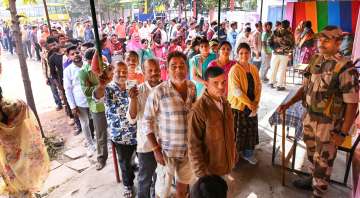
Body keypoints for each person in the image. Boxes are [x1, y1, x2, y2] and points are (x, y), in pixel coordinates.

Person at [277, 26, 359, 198]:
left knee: (324, 161)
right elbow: (305, 87)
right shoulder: (315, 59)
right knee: (312, 154)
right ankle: (311, 179)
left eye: (326, 40)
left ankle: (318, 192)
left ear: (338, 42)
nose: (321, 43)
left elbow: (352, 104)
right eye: (320, 39)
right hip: (309, 118)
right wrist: (289, 102)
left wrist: (343, 132)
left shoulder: (345, 68)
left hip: (328, 125)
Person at [144, 51, 196, 198]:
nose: (178, 70)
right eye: (174, 66)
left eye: (182, 66)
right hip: (167, 151)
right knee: (163, 191)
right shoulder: (158, 92)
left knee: (183, 186)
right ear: (167, 69)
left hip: (188, 150)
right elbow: (146, 122)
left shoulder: (192, 87)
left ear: (187, 68)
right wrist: (155, 149)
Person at [93, 61, 137, 198]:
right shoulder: (107, 88)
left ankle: (134, 167)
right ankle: (128, 185)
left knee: (138, 159)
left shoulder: (132, 85)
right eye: (118, 71)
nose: (122, 74)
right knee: (124, 163)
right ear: (113, 73)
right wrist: (101, 85)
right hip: (120, 135)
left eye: (124, 71)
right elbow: (96, 95)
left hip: (138, 132)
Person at [0, 86, 49, 198]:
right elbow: (24, 106)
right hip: (23, 152)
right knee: (26, 183)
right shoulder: (15, 106)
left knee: (16, 187)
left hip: (7, 159)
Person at [188, 66, 236, 178]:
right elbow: (193, 145)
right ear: (206, 84)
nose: (221, 86)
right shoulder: (199, 110)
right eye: (215, 83)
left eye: (223, 82)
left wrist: (233, 151)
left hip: (225, 163)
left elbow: (230, 132)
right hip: (209, 171)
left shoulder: (225, 103)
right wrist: (202, 176)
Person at [127, 59, 162, 198]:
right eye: (150, 71)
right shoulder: (138, 90)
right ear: (144, 72)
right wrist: (134, 100)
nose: (154, 73)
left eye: (156, 70)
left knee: (160, 179)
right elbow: (132, 117)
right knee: (144, 180)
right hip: (146, 145)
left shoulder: (167, 87)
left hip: (165, 143)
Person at [228, 43, 262, 165]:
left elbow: (258, 86)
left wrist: (256, 102)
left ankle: (248, 154)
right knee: (238, 133)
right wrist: (249, 103)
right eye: (241, 53)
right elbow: (236, 90)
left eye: (246, 53)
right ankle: (235, 156)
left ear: (250, 53)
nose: (244, 55)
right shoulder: (234, 70)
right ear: (237, 54)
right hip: (239, 107)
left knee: (250, 131)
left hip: (252, 105)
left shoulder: (253, 68)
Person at [78, 48, 109, 171]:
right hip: (97, 107)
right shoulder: (83, 72)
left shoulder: (105, 66)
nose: (99, 62)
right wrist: (101, 86)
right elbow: (86, 91)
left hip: (110, 103)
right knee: (101, 135)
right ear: (89, 61)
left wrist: (101, 85)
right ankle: (101, 159)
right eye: (96, 60)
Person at [63, 45, 95, 156]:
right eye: (72, 54)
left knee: (95, 120)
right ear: (68, 57)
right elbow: (68, 89)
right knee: (85, 123)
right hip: (79, 101)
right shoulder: (68, 71)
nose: (76, 55)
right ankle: (90, 144)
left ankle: (96, 139)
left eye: (77, 52)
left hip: (93, 98)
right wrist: (72, 106)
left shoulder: (88, 65)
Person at [268, 20, 295, 91]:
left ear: (281, 25)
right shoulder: (290, 34)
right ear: (288, 26)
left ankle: (271, 82)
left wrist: (275, 49)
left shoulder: (275, 32)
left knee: (273, 68)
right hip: (284, 54)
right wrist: (288, 50)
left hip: (275, 53)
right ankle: (279, 86)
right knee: (282, 70)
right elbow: (293, 45)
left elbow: (269, 41)